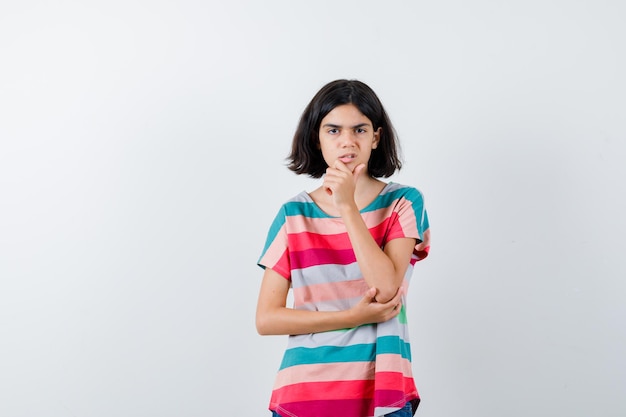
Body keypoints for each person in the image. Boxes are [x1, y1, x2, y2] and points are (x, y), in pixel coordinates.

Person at [256, 79, 431, 417]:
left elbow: (385, 290)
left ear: (376, 137)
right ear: (316, 139)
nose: (347, 142)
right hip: (304, 392)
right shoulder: (294, 214)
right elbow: (266, 319)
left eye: (360, 130)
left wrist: (348, 207)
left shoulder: (403, 202)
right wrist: (352, 317)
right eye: (333, 130)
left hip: (382, 392)